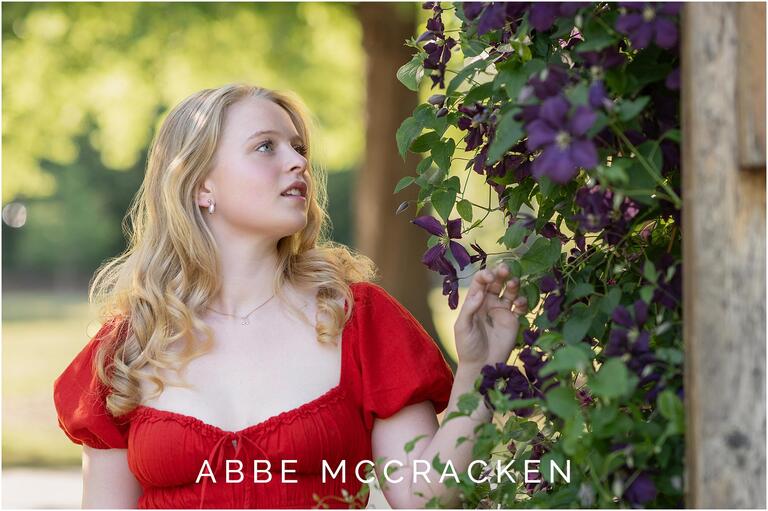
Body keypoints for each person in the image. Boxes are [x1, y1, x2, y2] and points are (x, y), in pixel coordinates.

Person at [52, 83, 529, 509]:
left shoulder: (357, 317)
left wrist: (478, 372)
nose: (298, 161)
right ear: (201, 186)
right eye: (266, 147)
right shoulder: (130, 347)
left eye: (298, 147)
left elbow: (424, 496)